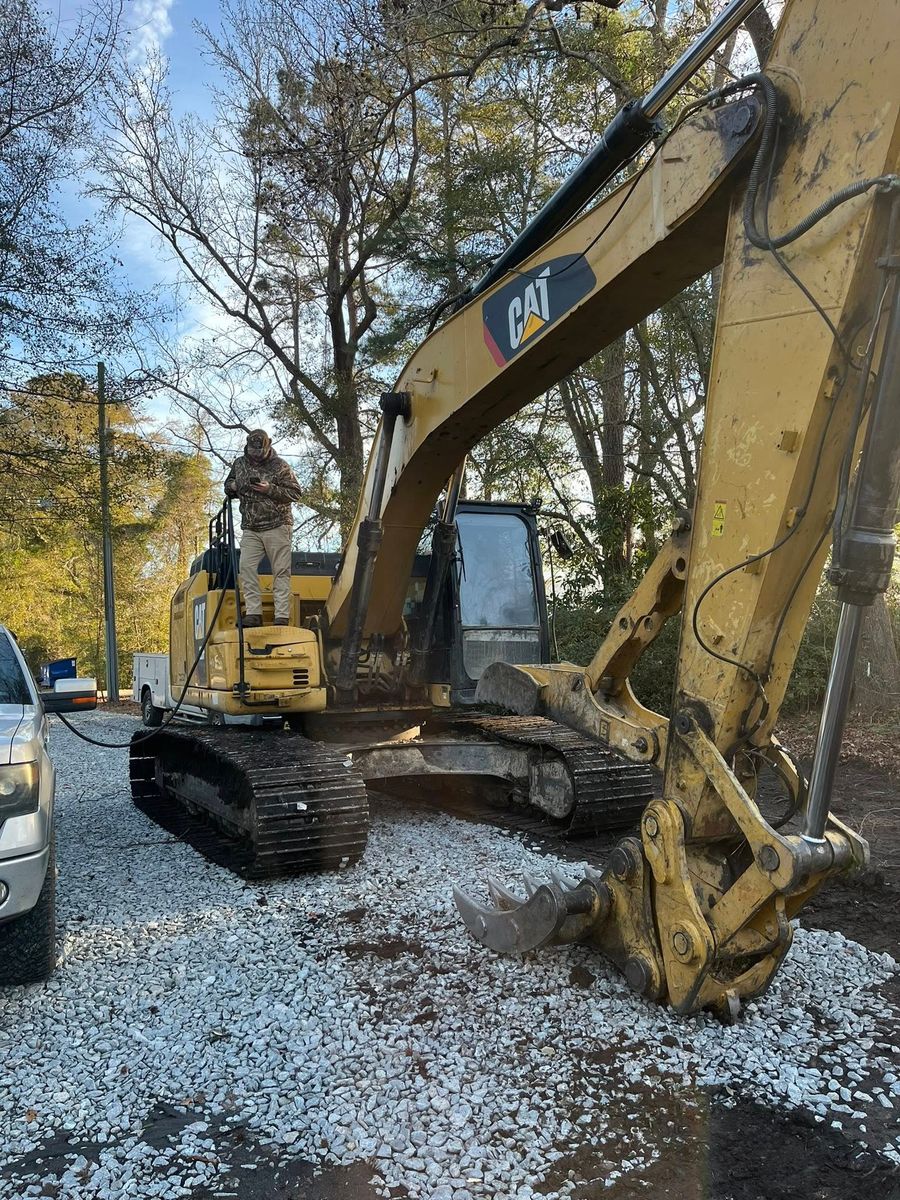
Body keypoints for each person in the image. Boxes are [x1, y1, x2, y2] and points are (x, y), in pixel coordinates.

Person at [224, 429, 303, 627]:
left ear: (268, 446)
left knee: (280, 571)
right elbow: (227, 484)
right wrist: (233, 486)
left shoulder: (280, 466)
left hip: (277, 525)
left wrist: (270, 489)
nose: (256, 455)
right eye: (252, 450)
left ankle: (282, 616)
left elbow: (295, 493)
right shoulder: (240, 463)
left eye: (259, 451)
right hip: (251, 527)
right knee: (246, 567)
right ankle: (253, 613)